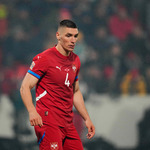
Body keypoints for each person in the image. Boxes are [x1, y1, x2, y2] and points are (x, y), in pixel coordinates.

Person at [20, 19, 95, 150]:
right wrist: (32, 111)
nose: (73, 40)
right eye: (68, 35)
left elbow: (75, 91)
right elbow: (24, 87)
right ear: (58, 36)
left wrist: (86, 118)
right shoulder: (44, 58)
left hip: (67, 122)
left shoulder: (75, 60)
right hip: (48, 121)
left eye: (75, 36)